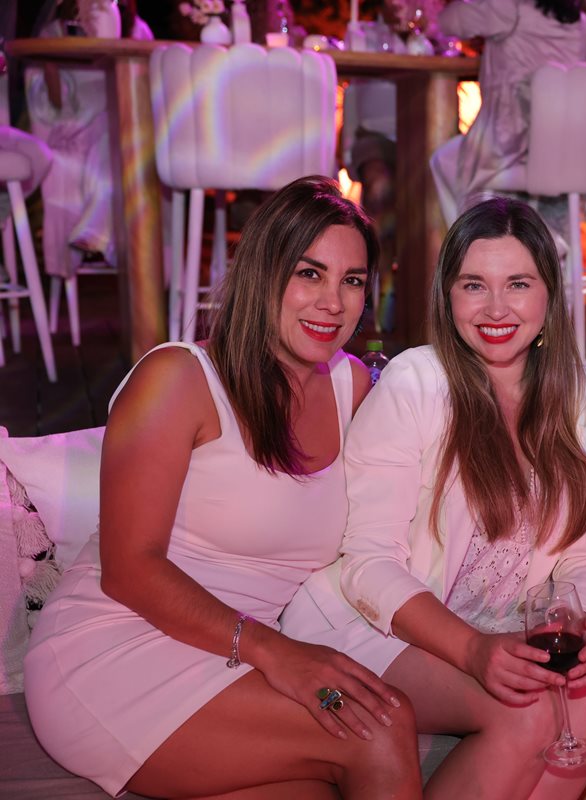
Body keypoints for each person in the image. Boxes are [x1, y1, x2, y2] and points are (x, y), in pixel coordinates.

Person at [23, 176, 422, 798]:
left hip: (241, 660)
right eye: (309, 273)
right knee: (378, 727)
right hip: (117, 648)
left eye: (351, 281)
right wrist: (278, 652)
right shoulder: (179, 378)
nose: (332, 302)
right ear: (262, 273)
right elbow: (129, 570)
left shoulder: (355, 390)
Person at [280, 197, 586, 799]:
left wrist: (581, 624)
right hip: (384, 625)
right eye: (474, 285)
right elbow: (369, 562)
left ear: (550, 297)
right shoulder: (416, 383)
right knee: (529, 709)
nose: (496, 309)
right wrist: (472, 650)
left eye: (518, 284)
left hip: (506, 628)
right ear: (448, 296)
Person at [429, 0, 586, 229]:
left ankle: (473, 240)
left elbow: (447, 21)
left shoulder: (510, 8)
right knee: (452, 161)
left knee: (443, 160)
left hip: (514, 148)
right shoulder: (582, 24)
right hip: (566, 153)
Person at [24, 0, 153, 283]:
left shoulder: (136, 31)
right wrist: (50, 66)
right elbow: (54, 107)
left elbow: (148, 88)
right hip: (75, 125)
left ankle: (97, 230)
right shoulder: (55, 33)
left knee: (111, 131)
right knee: (106, 132)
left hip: (119, 123)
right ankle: (99, 231)